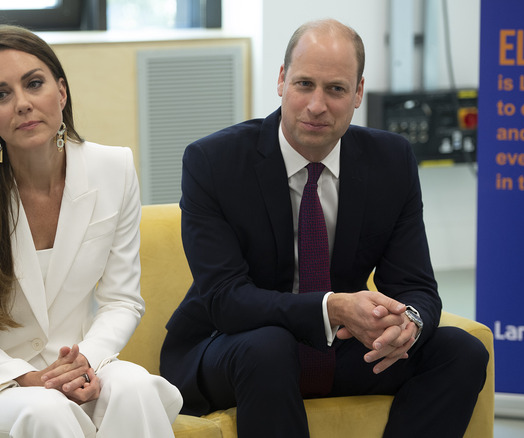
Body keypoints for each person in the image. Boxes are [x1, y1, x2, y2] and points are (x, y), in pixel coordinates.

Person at [159, 18, 488, 438]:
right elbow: (226, 300)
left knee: (461, 351)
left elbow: (417, 285)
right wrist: (331, 308)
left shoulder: (391, 161)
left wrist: (408, 324)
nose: (317, 105)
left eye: (335, 89)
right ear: (281, 81)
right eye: (304, 84)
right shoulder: (213, 162)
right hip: (231, 345)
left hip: (339, 349)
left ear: (358, 94)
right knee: (269, 347)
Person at [0, 25, 182, 438]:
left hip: (80, 364)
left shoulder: (114, 169)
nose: (23, 104)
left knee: (135, 387)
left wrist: (86, 363)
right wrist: (25, 378)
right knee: (47, 412)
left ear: (60, 92)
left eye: (34, 84)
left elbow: (121, 300)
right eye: (1, 94)